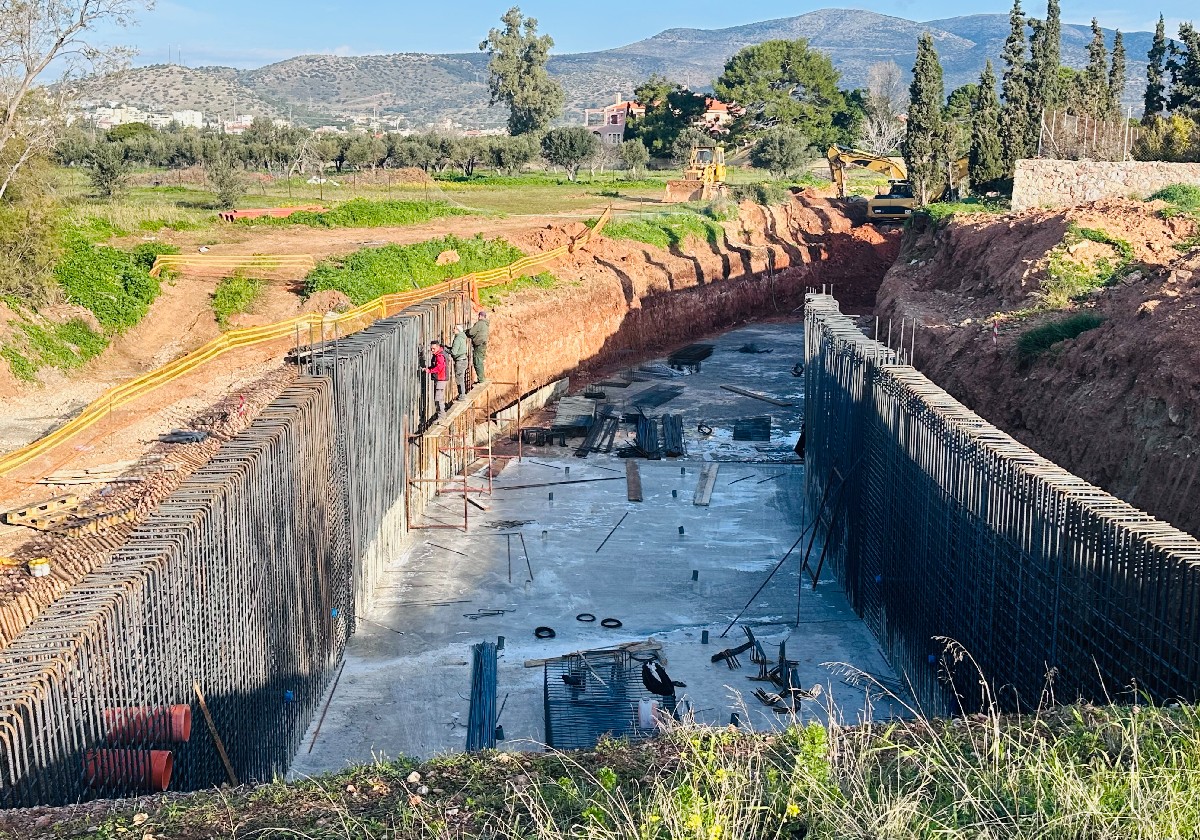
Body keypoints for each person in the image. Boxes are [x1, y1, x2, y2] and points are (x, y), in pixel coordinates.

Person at [424, 339, 449, 419]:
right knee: (438, 398)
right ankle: (440, 415)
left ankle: (441, 416)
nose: (432, 350)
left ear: (438, 347)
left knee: (438, 398)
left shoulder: (440, 356)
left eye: (433, 349)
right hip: (440, 378)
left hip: (441, 379)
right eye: (431, 348)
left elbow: (439, 367)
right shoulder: (438, 354)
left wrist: (429, 370)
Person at [465, 310, 489, 383]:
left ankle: (481, 379)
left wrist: (466, 331)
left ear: (481, 316)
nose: (478, 317)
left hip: (479, 345)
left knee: (477, 362)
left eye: (478, 316)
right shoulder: (486, 324)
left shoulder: (480, 323)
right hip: (483, 345)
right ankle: (481, 378)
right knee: (480, 361)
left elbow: (471, 332)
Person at [449, 324, 470, 401]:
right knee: (461, 378)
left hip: (459, 361)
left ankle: (462, 396)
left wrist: (446, 350)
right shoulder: (462, 337)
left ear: (458, 330)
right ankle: (462, 394)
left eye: (454, 328)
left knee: (459, 378)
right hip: (464, 359)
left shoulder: (457, 339)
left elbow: (453, 352)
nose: (453, 330)